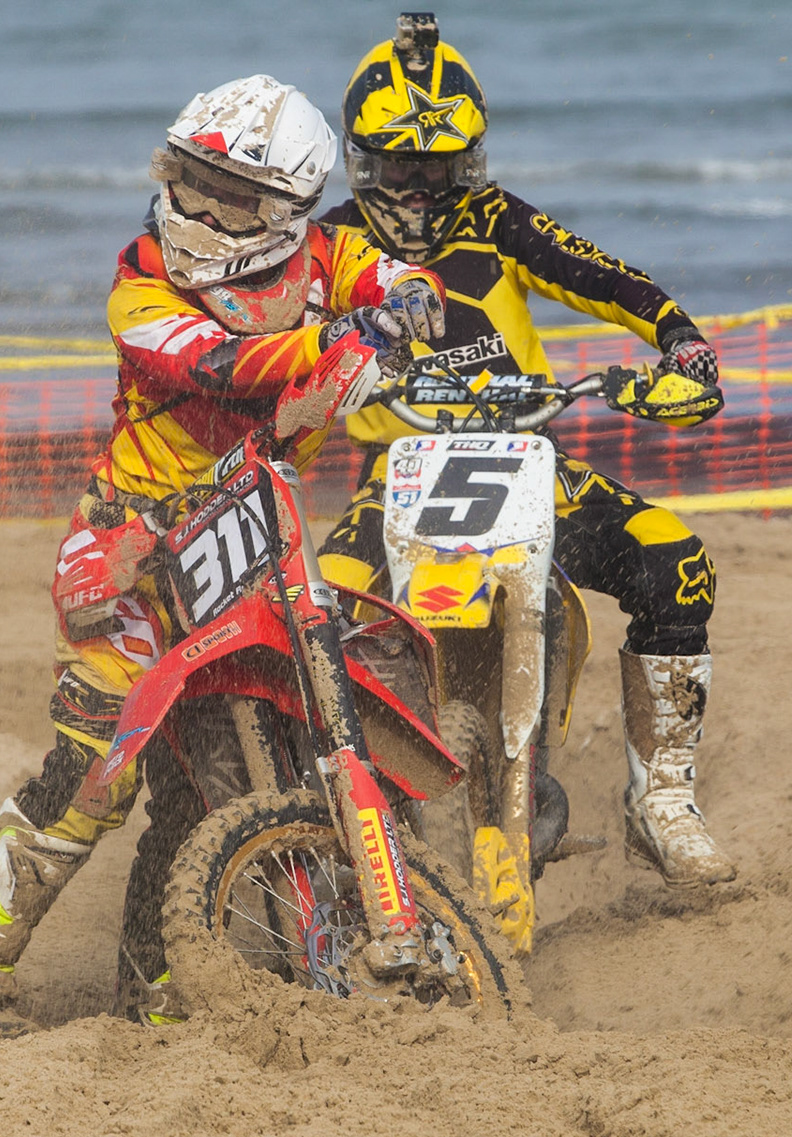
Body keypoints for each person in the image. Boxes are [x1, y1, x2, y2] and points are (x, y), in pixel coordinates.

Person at [0, 74, 447, 1018]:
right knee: (93, 778)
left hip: (250, 538)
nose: (200, 213)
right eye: (189, 183)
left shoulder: (327, 260)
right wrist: (345, 342)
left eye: (231, 201)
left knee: (210, 787)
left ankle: (154, 985)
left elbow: (401, 277)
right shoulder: (141, 282)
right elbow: (222, 366)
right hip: (133, 555)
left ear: (287, 211)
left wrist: (409, 301)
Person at [313, 14, 735, 890]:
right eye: (402, 167)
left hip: (530, 464)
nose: (421, 188)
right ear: (363, 162)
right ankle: (330, 830)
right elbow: (267, 346)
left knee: (677, 561)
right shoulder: (330, 246)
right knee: (317, 621)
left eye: (439, 168)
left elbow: (603, 277)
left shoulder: (497, 220)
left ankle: (662, 800)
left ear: (468, 163)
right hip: (394, 476)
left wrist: (681, 340)